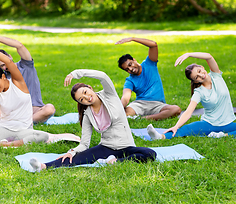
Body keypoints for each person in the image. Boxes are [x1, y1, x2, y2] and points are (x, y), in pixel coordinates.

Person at [29, 69, 157, 172]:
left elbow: (103, 76)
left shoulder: (109, 95)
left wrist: (76, 73)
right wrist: (71, 152)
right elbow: (85, 143)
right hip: (106, 147)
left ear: (90, 87)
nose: (86, 98)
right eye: (81, 99)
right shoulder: (87, 115)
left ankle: (115, 161)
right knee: (76, 158)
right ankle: (42, 166)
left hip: (127, 147)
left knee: (150, 153)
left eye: (85, 92)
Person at [147, 52, 236, 140]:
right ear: (195, 81)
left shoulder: (216, 75)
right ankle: (161, 137)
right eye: (196, 77)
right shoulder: (199, 91)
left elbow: (209, 56)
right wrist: (176, 125)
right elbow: (188, 112)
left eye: (199, 71)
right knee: (186, 129)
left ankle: (224, 135)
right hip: (209, 124)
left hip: (228, 124)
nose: (200, 76)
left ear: (202, 67)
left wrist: (189, 54)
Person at [116, 37, 181, 120]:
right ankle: (142, 117)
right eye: (127, 69)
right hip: (140, 104)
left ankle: (145, 118)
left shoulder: (149, 63)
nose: (130, 69)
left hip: (158, 104)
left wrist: (133, 39)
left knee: (176, 109)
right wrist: (119, 108)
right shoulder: (129, 80)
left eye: (130, 64)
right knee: (125, 113)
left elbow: (153, 45)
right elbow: (125, 97)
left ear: (134, 60)